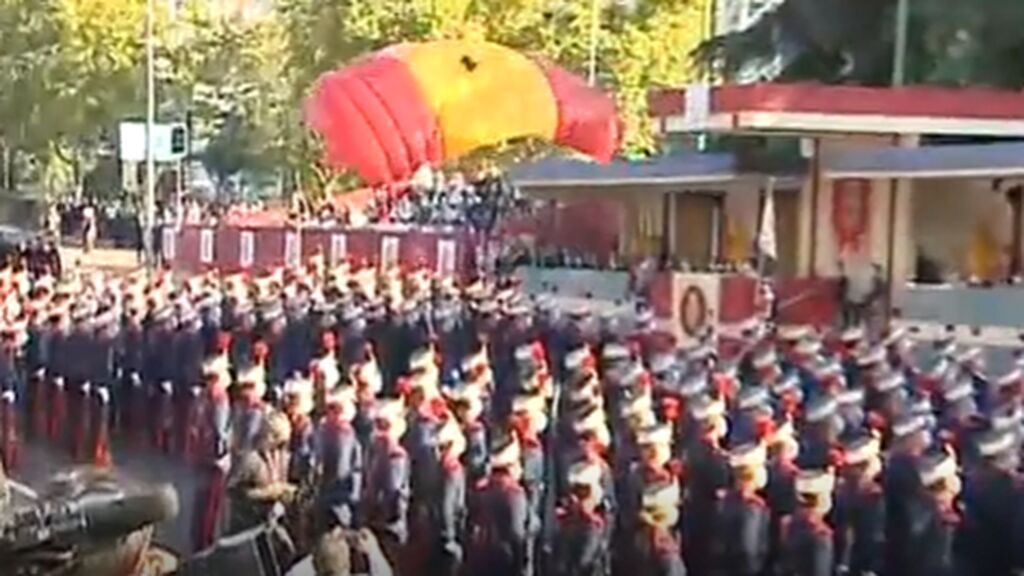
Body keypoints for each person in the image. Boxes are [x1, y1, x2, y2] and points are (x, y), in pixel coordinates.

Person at [226, 410, 295, 535]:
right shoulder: (250, 459)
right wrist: (265, 493)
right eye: (266, 433)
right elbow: (232, 491)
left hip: (272, 523)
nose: (280, 449)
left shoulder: (283, 458)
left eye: (282, 443)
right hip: (247, 525)